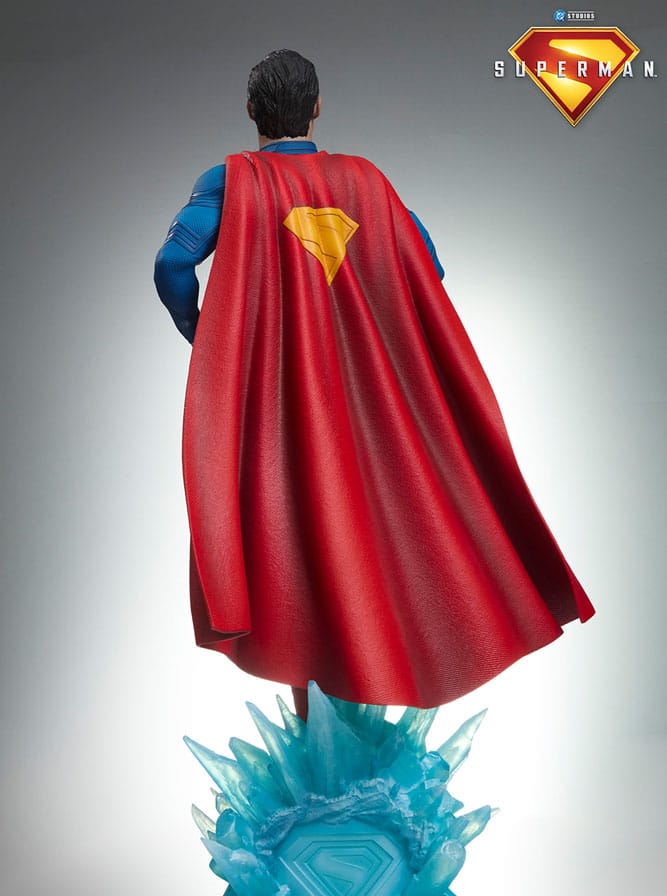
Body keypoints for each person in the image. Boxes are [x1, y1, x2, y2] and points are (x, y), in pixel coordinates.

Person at [155, 50, 593, 719]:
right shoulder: (365, 179)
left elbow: (173, 263)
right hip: (363, 398)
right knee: (371, 527)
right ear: (317, 108)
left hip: (278, 399)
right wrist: (363, 318)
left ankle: (334, 706)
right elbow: (427, 266)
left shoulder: (230, 180)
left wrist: (208, 336)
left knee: (292, 533)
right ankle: (355, 699)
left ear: (251, 111)